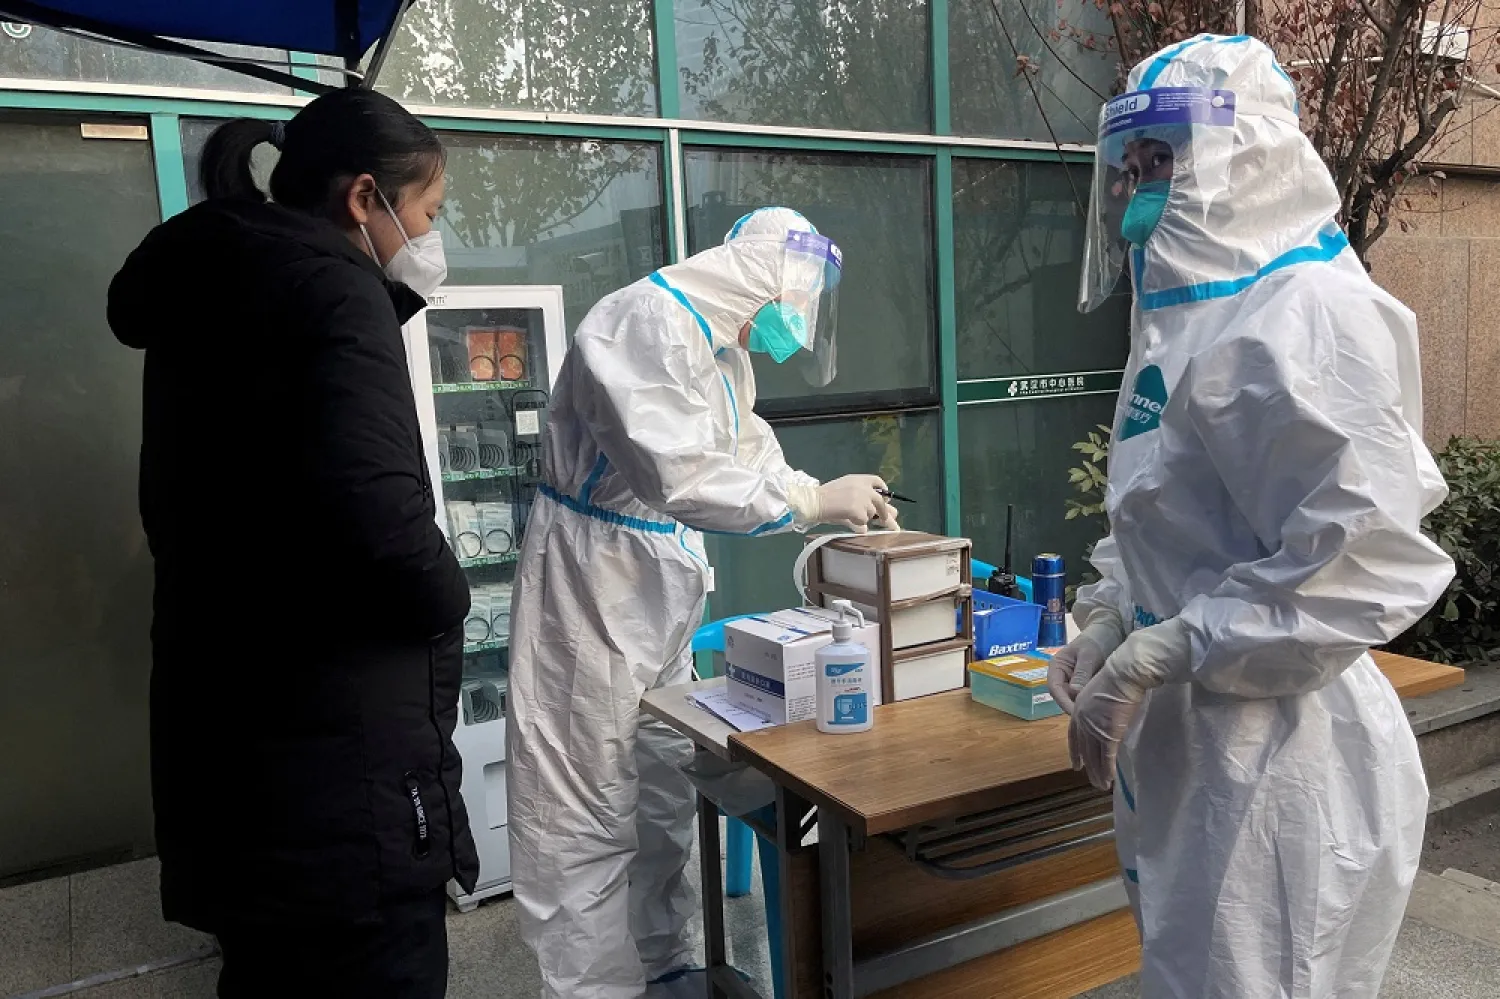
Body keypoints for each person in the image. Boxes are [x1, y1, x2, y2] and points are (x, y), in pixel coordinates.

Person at [1049, 34, 1455, 999]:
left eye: (1163, 159)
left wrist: (1161, 649)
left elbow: (1362, 562)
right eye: (1130, 165)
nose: (1138, 190)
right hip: (1195, 745)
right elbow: (1160, 513)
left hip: (1281, 755)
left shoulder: (1307, 313)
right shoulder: (1183, 322)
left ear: (1248, 155)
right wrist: (1108, 615)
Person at [108, 89, 476, 999]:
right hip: (343, 782)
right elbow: (385, 526)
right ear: (364, 197)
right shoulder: (333, 293)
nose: (430, 237)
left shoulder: (217, 287)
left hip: (236, 757)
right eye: (428, 212)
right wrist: (451, 594)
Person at [507, 206, 897, 999]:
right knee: (584, 807)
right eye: (796, 303)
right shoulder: (640, 321)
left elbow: (745, 453)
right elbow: (680, 475)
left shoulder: (722, 353)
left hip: (657, 586)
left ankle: (665, 962)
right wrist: (811, 500)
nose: (796, 326)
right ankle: (594, 990)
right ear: (761, 280)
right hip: (591, 587)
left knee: (659, 784)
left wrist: (824, 497)